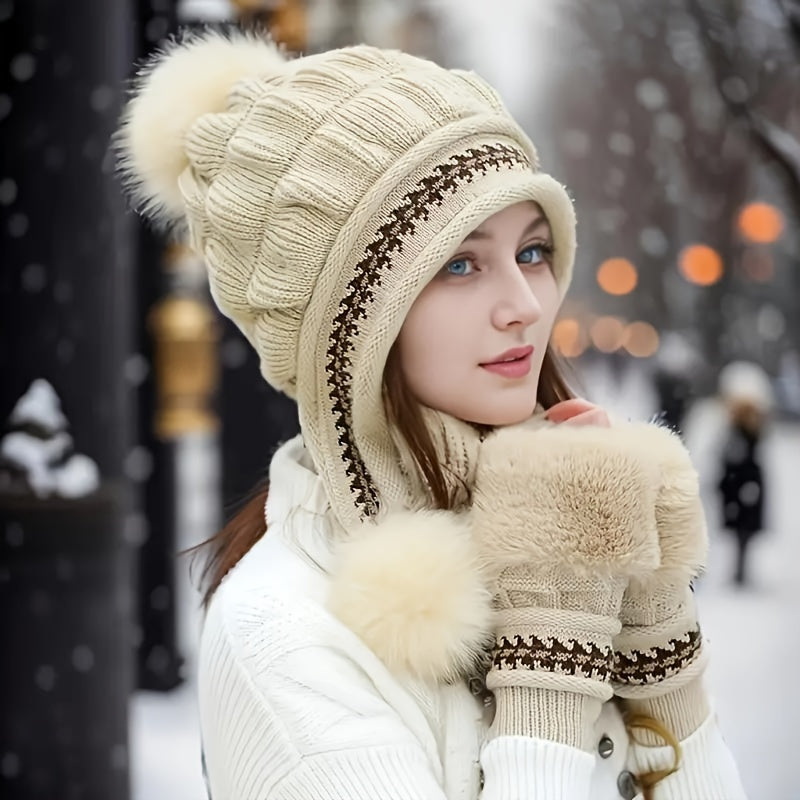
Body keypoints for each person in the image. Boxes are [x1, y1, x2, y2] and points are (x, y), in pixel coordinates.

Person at [117, 31, 747, 800]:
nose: (526, 306)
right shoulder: (282, 634)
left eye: (534, 251)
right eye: (459, 263)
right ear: (350, 330)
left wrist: (654, 638)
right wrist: (553, 655)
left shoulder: (546, 521)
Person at [716, 361, 771, 587]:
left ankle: (740, 573)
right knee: (741, 537)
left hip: (743, 489)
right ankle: (739, 572)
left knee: (743, 537)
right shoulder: (742, 430)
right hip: (741, 489)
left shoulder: (745, 432)